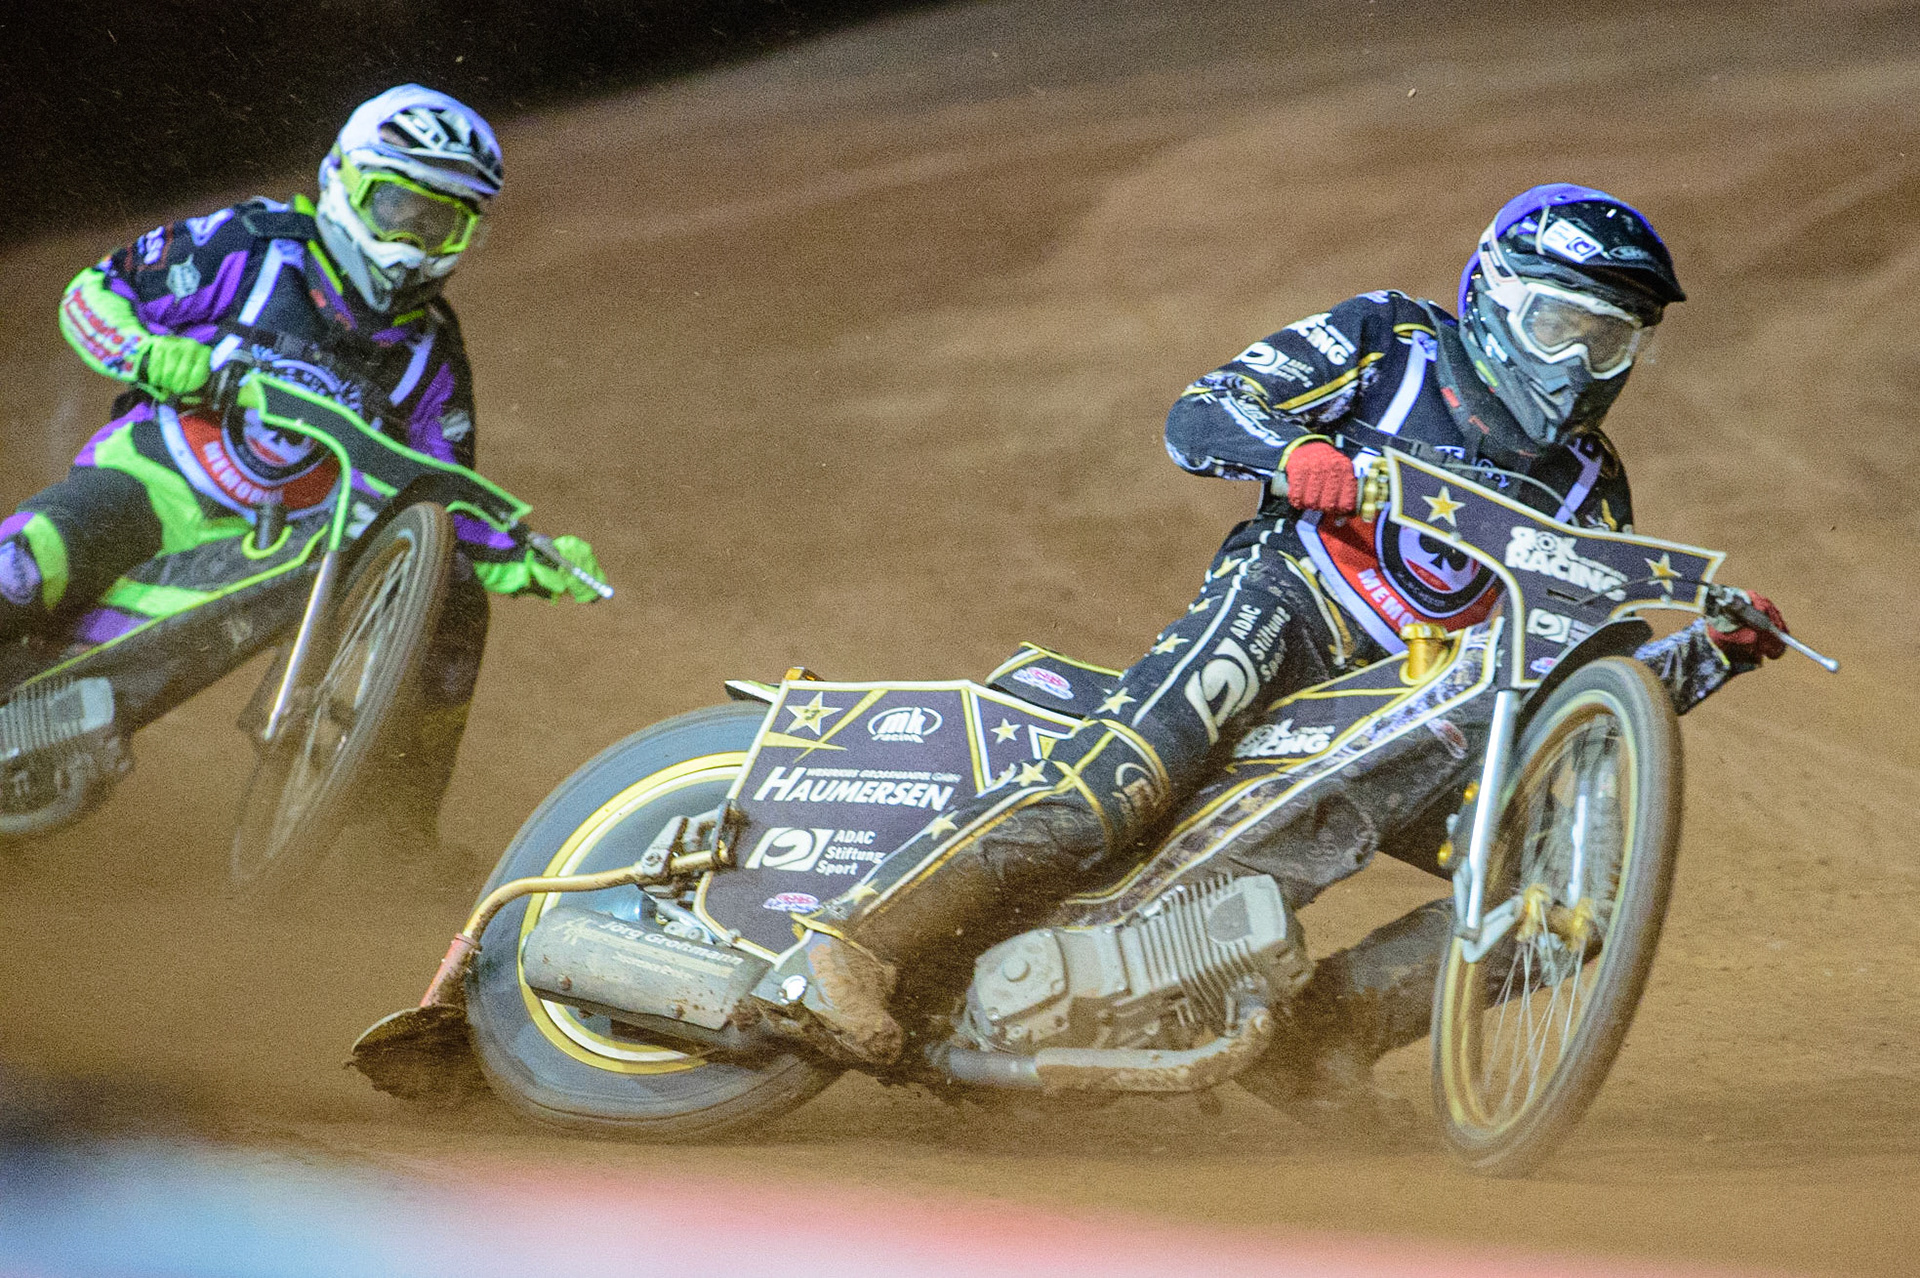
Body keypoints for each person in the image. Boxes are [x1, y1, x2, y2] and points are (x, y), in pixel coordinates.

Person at [751, 183, 1791, 1120]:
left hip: (1413, 706)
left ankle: (1315, 1041)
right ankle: (847, 947)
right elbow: (1202, 411)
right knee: (1119, 783)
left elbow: (1575, 687)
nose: (1574, 366)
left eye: (1608, 343)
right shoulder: (1392, 341)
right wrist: (1294, 452)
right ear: (1493, 296)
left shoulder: (1593, 486)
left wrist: (1712, 654)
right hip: (1289, 608)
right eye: (1559, 325)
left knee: (1559, 908)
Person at [0, 84, 602, 845]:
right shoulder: (255, 244)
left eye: (441, 223)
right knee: (26, 568)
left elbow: (437, 493)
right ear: (343, 180)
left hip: (276, 547)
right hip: (152, 480)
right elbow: (95, 293)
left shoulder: (431, 356)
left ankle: (388, 839)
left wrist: (519, 551)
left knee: (451, 595)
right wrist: (150, 354)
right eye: (397, 207)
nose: (413, 241)